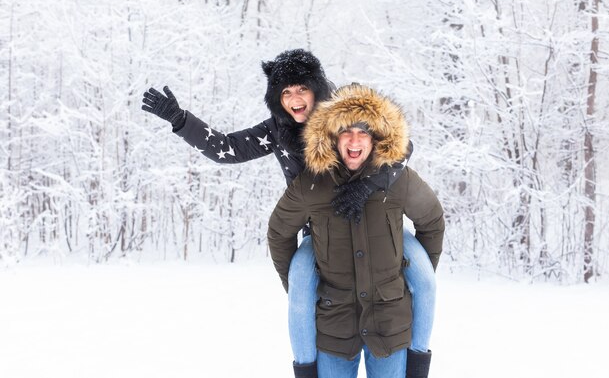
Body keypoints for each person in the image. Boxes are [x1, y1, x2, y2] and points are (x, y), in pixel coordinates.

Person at [141, 50, 436, 378]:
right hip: (320, 231)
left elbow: (399, 144)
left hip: (376, 221)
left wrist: (370, 185)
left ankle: (417, 362)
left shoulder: (340, 111)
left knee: (423, 277)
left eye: (301, 89)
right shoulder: (277, 131)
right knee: (300, 282)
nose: (295, 99)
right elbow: (227, 149)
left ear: (316, 89)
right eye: (285, 92)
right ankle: (307, 367)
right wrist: (181, 121)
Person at [267, 83, 445, 378]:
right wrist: (302, 287)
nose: (354, 140)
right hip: (335, 329)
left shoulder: (398, 180)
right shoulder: (313, 183)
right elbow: (279, 232)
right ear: (332, 136)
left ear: (375, 138)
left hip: (390, 326)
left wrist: (407, 271)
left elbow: (432, 221)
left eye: (363, 132)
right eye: (345, 131)